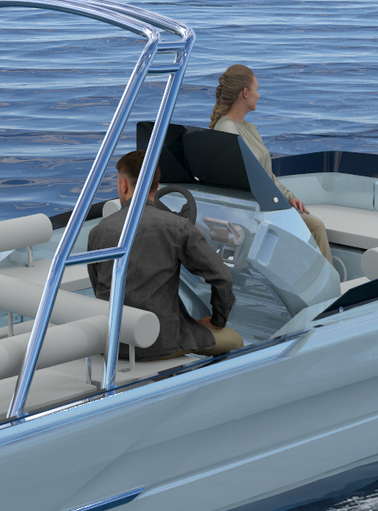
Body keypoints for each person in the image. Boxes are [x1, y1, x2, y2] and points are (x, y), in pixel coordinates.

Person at [88, 149, 245, 359]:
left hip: (111, 344)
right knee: (235, 340)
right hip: (162, 344)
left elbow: (98, 284)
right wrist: (217, 320)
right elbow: (222, 278)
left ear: (123, 185)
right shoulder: (178, 227)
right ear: (157, 186)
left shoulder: (98, 231)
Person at [208, 64, 335, 256]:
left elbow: (266, 175)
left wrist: (289, 197)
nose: (259, 95)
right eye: (256, 89)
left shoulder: (250, 128)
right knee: (315, 226)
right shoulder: (226, 129)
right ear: (245, 92)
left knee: (314, 225)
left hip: (269, 206)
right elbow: (239, 182)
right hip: (254, 213)